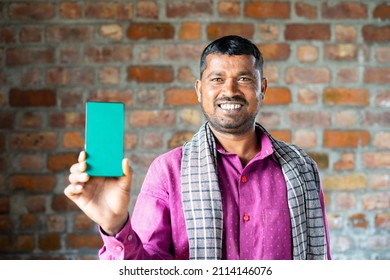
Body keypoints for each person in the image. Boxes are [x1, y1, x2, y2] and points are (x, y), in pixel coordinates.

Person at [65, 35, 331, 260]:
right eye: (217, 79)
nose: (230, 90)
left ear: (262, 88)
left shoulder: (302, 169)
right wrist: (115, 226)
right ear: (199, 90)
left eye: (244, 79)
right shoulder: (168, 171)